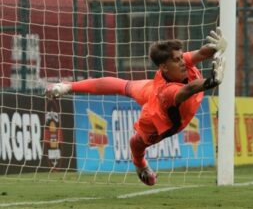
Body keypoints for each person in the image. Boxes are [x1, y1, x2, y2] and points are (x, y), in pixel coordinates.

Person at [45, 28, 227, 186]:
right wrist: (210, 81)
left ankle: (68, 86)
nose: (182, 62)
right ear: (163, 67)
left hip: (152, 89)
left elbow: (202, 53)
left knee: (125, 86)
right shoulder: (169, 92)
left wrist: (218, 46)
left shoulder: (181, 63)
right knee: (136, 142)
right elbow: (188, 89)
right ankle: (140, 163)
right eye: (176, 60)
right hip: (162, 115)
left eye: (181, 57)